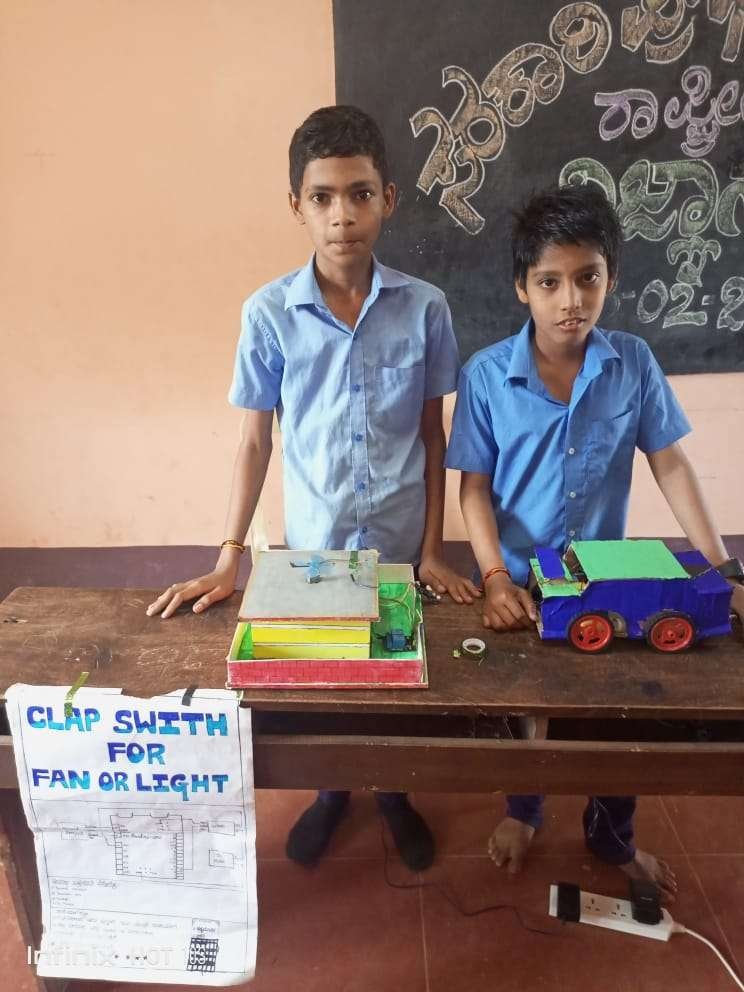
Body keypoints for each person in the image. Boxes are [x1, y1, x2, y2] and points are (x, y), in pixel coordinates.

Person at [147, 105, 480, 871]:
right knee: (325, 677)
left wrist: (434, 550)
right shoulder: (268, 314)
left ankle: (393, 793)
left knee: (396, 673)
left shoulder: (426, 308)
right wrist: (229, 556)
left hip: (399, 542)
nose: (342, 216)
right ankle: (332, 793)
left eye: (359, 194)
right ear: (296, 205)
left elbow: (432, 436)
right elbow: (254, 441)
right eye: (323, 197)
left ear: (388, 199)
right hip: (315, 545)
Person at [445, 184, 744, 903]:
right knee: (527, 713)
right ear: (522, 287)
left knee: (614, 716)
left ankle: (613, 837)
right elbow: (473, 490)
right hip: (520, 583)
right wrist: (493, 576)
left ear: (611, 278)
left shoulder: (632, 363)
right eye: (549, 282)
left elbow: (670, 464)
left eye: (588, 278)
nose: (571, 300)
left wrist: (721, 569)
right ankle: (523, 810)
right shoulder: (487, 376)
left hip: (607, 579)